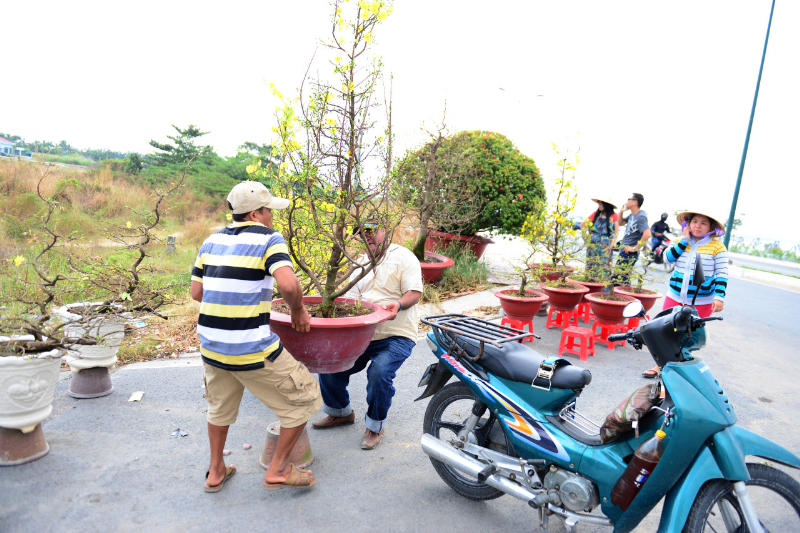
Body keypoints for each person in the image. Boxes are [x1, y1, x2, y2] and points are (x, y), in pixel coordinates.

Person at [192, 181, 323, 492]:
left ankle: (215, 471)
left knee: (219, 408)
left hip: (211, 345)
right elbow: (289, 286)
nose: (272, 218)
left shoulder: (210, 241)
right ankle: (278, 469)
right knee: (305, 399)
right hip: (250, 346)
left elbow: (197, 292)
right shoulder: (269, 239)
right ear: (255, 213)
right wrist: (298, 311)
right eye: (269, 211)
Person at [312, 222, 423, 450]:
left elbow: (414, 293)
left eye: (372, 231)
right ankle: (340, 412)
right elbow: (350, 301)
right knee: (330, 363)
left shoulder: (404, 256)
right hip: (362, 333)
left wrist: (399, 305)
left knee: (379, 372)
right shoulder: (360, 263)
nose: (367, 237)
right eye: (362, 234)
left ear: (386, 231)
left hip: (396, 334)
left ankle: (374, 426)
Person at [642, 210, 728, 378]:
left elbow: (722, 273)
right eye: (695, 221)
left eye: (703, 223)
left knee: (689, 336)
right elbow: (667, 258)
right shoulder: (678, 241)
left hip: (701, 301)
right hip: (675, 296)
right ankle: (662, 366)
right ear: (688, 224)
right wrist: (685, 240)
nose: (698, 226)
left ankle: (679, 369)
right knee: (666, 331)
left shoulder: (718, 247)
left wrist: (719, 297)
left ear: (710, 227)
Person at [614, 193, 651, 285]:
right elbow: (621, 223)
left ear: (635, 202)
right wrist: (621, 212)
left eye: (628, 199)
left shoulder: (641, 216)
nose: (626, 201)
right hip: (624, 251)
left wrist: (635, 248)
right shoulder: (632, 215)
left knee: (619, 280)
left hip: (629, 253)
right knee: (620, 279)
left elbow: (647, 234)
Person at [581, 196, 618, 278]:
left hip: (605, 246)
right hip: (593, 244)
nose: (599, 205)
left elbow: (616, 233)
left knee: (603, 266)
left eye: (602, 203)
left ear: (607, 205)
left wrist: (611, 246)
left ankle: (602, 288)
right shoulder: (596, 214)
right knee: (591, 265)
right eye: (599, 203)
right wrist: (587, 237)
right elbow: (582, 225)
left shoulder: (614, 216)